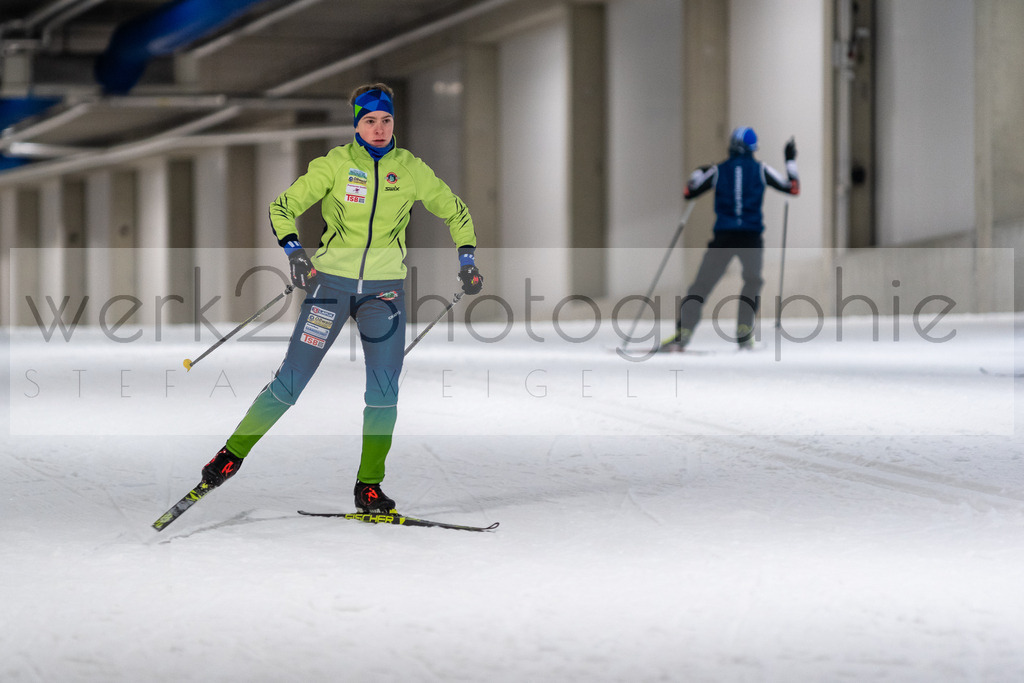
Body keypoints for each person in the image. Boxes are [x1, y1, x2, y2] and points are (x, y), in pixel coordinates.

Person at [198, 82, 483, 513]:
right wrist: (294, 252)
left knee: (384, 391)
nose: (380, 128)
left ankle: (369, 486)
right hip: (330, 288)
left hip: (384, 294)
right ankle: (230, 455)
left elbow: (455, 209)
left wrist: (468, 259)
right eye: (370, 120)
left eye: (386, 120)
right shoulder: (334, 165)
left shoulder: (409, 168)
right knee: (291, 382)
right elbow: (282, 207)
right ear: (356, 124)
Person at [660, 126, 798, 352]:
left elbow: (689, 192)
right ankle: (744, 334)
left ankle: (683, 333)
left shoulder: (718, 170)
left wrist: (698, 173)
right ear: (753, 148)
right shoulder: (761, 169)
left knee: (701, 285)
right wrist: (790, 161)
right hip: (751, 237)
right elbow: (792, 188)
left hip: (724, 237)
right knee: (752, 281)